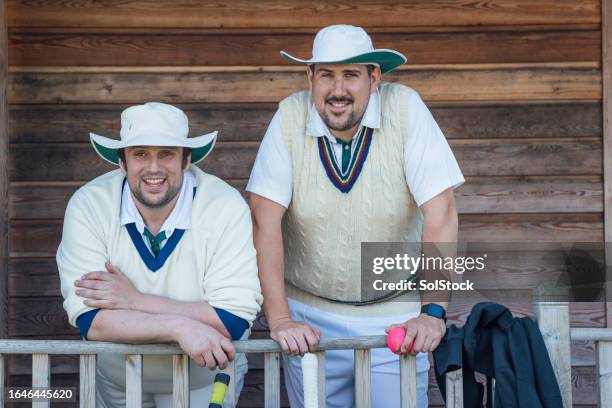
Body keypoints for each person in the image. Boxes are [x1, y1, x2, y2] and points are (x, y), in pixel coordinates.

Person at [247, 25, 464, 407]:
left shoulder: (405, 108)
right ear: (310, 77)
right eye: (326, 75)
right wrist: (280, 319)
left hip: (394, 315)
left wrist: (432, 311)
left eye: (351, 75)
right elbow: (264, 219)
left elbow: (441, 209)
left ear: (374, 78)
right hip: (309, 318)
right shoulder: (288, 115)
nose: (338, 90)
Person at [56, 102, 262, 407]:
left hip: (203, 382)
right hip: (117, 383)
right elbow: (92, 321)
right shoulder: (89, 205)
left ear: (185, 161)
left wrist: (135, 301)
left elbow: (231, 319)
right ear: (122, 163)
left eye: (166, 153)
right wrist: (179, 327)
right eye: (140, 154)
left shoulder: (224, 206)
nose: (153, 167)